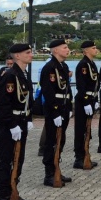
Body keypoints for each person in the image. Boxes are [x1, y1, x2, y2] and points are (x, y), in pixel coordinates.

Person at [0, 43, 35, 200]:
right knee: (7, 161)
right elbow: (2, 104)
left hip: (21, 121)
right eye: (28, 52)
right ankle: (4, 197)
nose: (31, 54)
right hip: (9, 124)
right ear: (17, 56)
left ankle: (14, 191)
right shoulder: (10, 75)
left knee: (18, 159)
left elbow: (27, 101)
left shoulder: (22, 74)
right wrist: (12, 125)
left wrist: (29, 118)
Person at [40, 39, 73, 186]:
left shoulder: (63, 66)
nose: (68, 50)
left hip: (64, 106)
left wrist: (70, 107)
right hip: (55, 108)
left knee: (61, 140)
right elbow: (48, 91)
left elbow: (67, 89)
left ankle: (56, 168)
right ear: (55, 51)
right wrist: (55, 112)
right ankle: (49, 174)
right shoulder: (49, 68)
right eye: (64, 47)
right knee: (52, 141)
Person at [74, 40, 100, 169]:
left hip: (91, 99)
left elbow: (95, 84)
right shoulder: (83, 65)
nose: (96, 50)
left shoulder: (92, 64)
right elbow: (81, 85)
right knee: (81, 130)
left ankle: (85, 155)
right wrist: (86, 102)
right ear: (86, 51)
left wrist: (95, 100)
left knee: (87, 130)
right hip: (83, 101)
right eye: (93, 48)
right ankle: (79, 158)